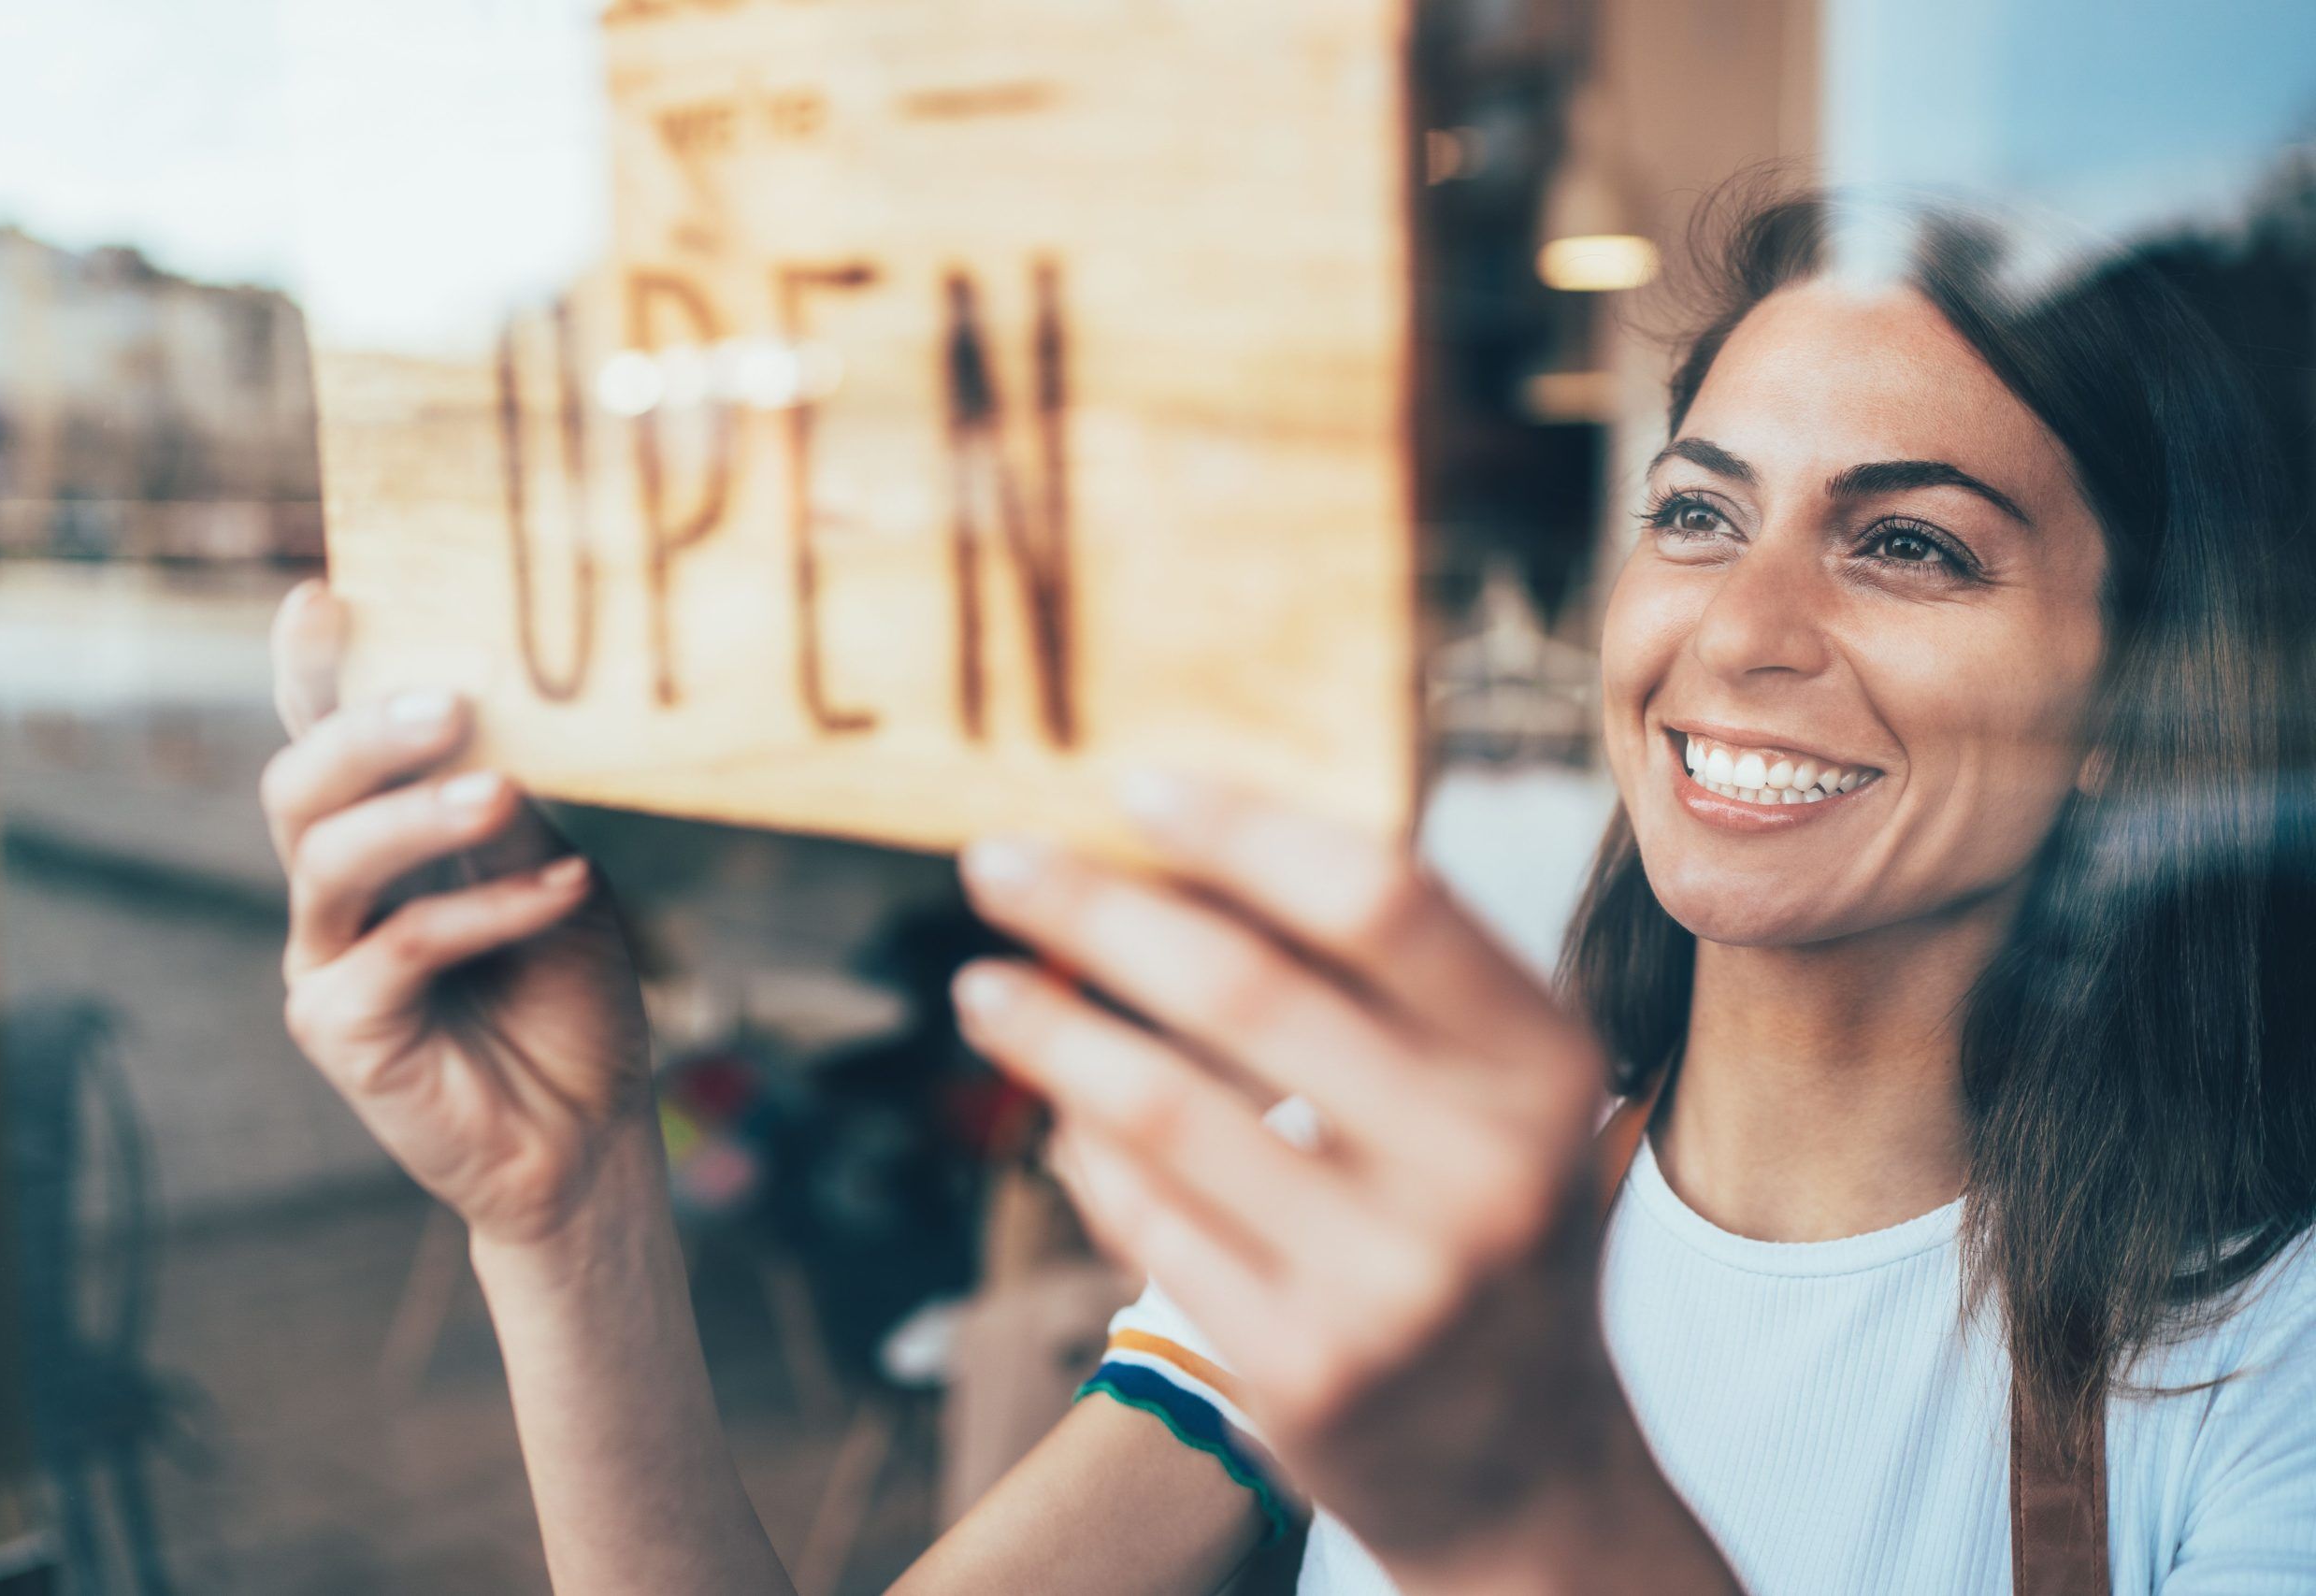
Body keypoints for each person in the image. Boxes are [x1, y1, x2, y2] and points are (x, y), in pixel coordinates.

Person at [259, 188, 2316, 1593]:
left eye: (1910, 546)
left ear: (2142, 692)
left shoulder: (2257, 1363)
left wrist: (1527, 1489)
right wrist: (570, 1210)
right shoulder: (1383, 1202)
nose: (1738, 628)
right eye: (1699, 512)